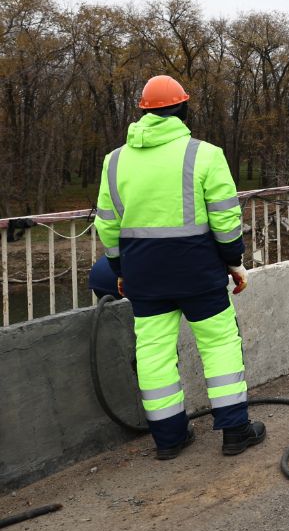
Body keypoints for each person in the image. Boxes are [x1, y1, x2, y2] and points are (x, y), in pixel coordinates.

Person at [94, 75, 265, 460]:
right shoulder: (203, 154)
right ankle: (236, 431)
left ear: (143, 112)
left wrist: (120, 268)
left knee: (154, 354)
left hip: (143, 275)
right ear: (183, 109)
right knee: (220, 346)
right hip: (198, 272)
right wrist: (234, 262)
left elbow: (107, 223)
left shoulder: (115, 160)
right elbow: (225, 218)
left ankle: (169, 440)